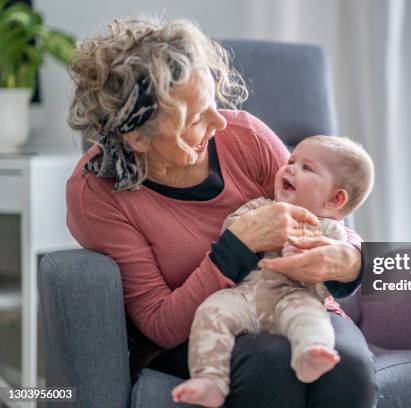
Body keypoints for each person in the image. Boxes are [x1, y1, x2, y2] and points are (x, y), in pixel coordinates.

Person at [65, 16, 377, 407]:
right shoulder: (96, 193)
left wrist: (349, 260)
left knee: (347, 364)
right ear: (138, 138)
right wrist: (238, 244)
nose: (220, 122)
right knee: (269, 362)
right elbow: (160, 324)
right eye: (196, 119)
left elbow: (329, 224)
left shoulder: (245, 134)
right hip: (200, 330)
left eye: (212, 102)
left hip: (295, 303)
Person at [172, 136, 374, 407]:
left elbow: (339, 267)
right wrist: (251, 230)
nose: (289, 168)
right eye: (291, 161)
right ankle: (210, 379)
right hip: (245, 296)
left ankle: (311, 354)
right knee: (211, 311)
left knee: (312, 318)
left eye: (306, 168)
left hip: (294, 297)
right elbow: (231, 231)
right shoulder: (261, 207)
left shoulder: (330, 230)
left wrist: (311, 255)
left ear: (335, 199)